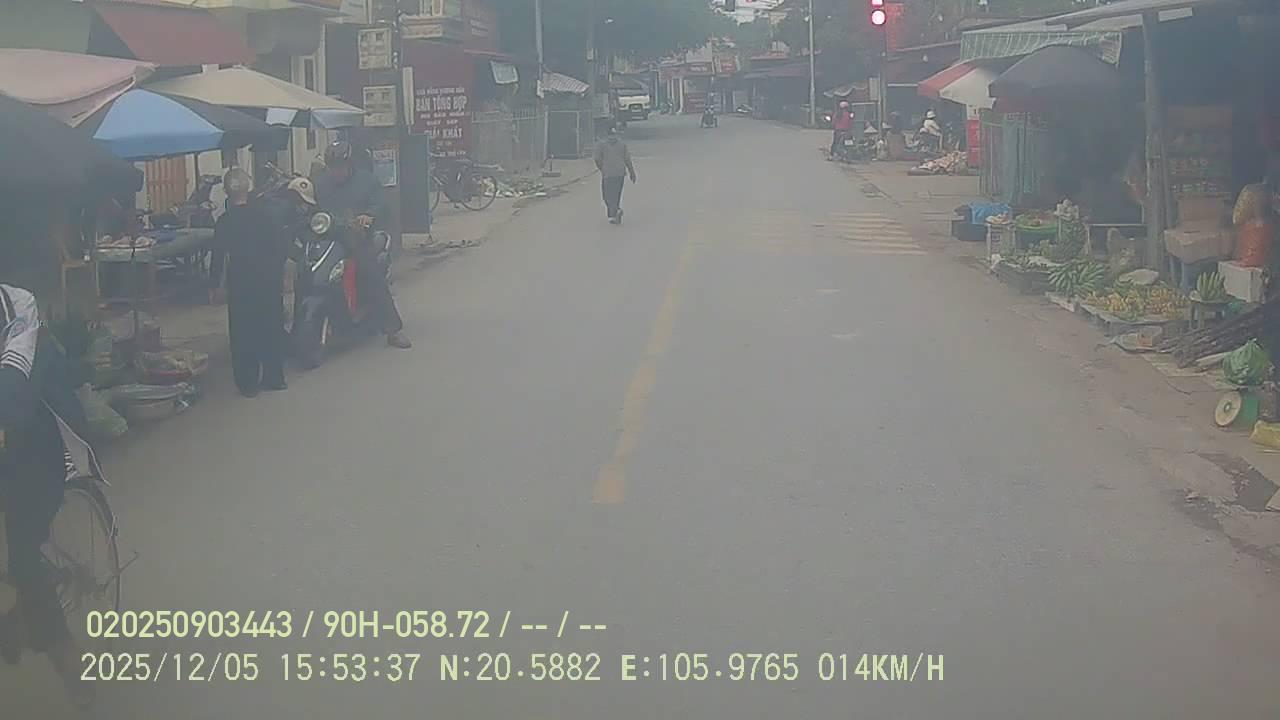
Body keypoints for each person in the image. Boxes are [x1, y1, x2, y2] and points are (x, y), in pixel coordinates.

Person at [0, 280, 97, 707]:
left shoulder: (16, 308)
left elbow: (12, 394)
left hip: (42, 438)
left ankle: (72, 670)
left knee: (24, 558)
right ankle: (20, 619)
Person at [313, 140, 411, 349]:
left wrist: (369, 215)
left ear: (349, 164)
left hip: (357, 239)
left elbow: (381, 204)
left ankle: (393, 329)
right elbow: (312, 207)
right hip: (327, 240)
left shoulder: (367, 181)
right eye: (332, 167)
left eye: (340, 167)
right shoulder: (320, 184)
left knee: (370, 274)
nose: (337, 172)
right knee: (307, 272)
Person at [210, 169, 289, 397]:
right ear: (249, 188)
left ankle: (248, 383)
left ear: (226, 192)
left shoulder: (225, 221)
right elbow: (280, 247)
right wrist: (281, 275)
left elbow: (218, 256)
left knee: (243, 333)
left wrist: (215, 285)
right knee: (271, 327)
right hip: (268, 279)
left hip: (241, 282)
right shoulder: (266, 216)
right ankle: (275, 377)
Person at [594, 125, 637, 224]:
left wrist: (602, 168)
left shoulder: (601, 144)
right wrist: (632, 172)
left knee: (607, 195)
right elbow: (627, 159)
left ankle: (615, 212)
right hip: (620, 173)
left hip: (608, 173)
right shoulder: (622, 144)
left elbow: (597, 158)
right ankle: (613, 215)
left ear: (606, 133)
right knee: (616, 194)